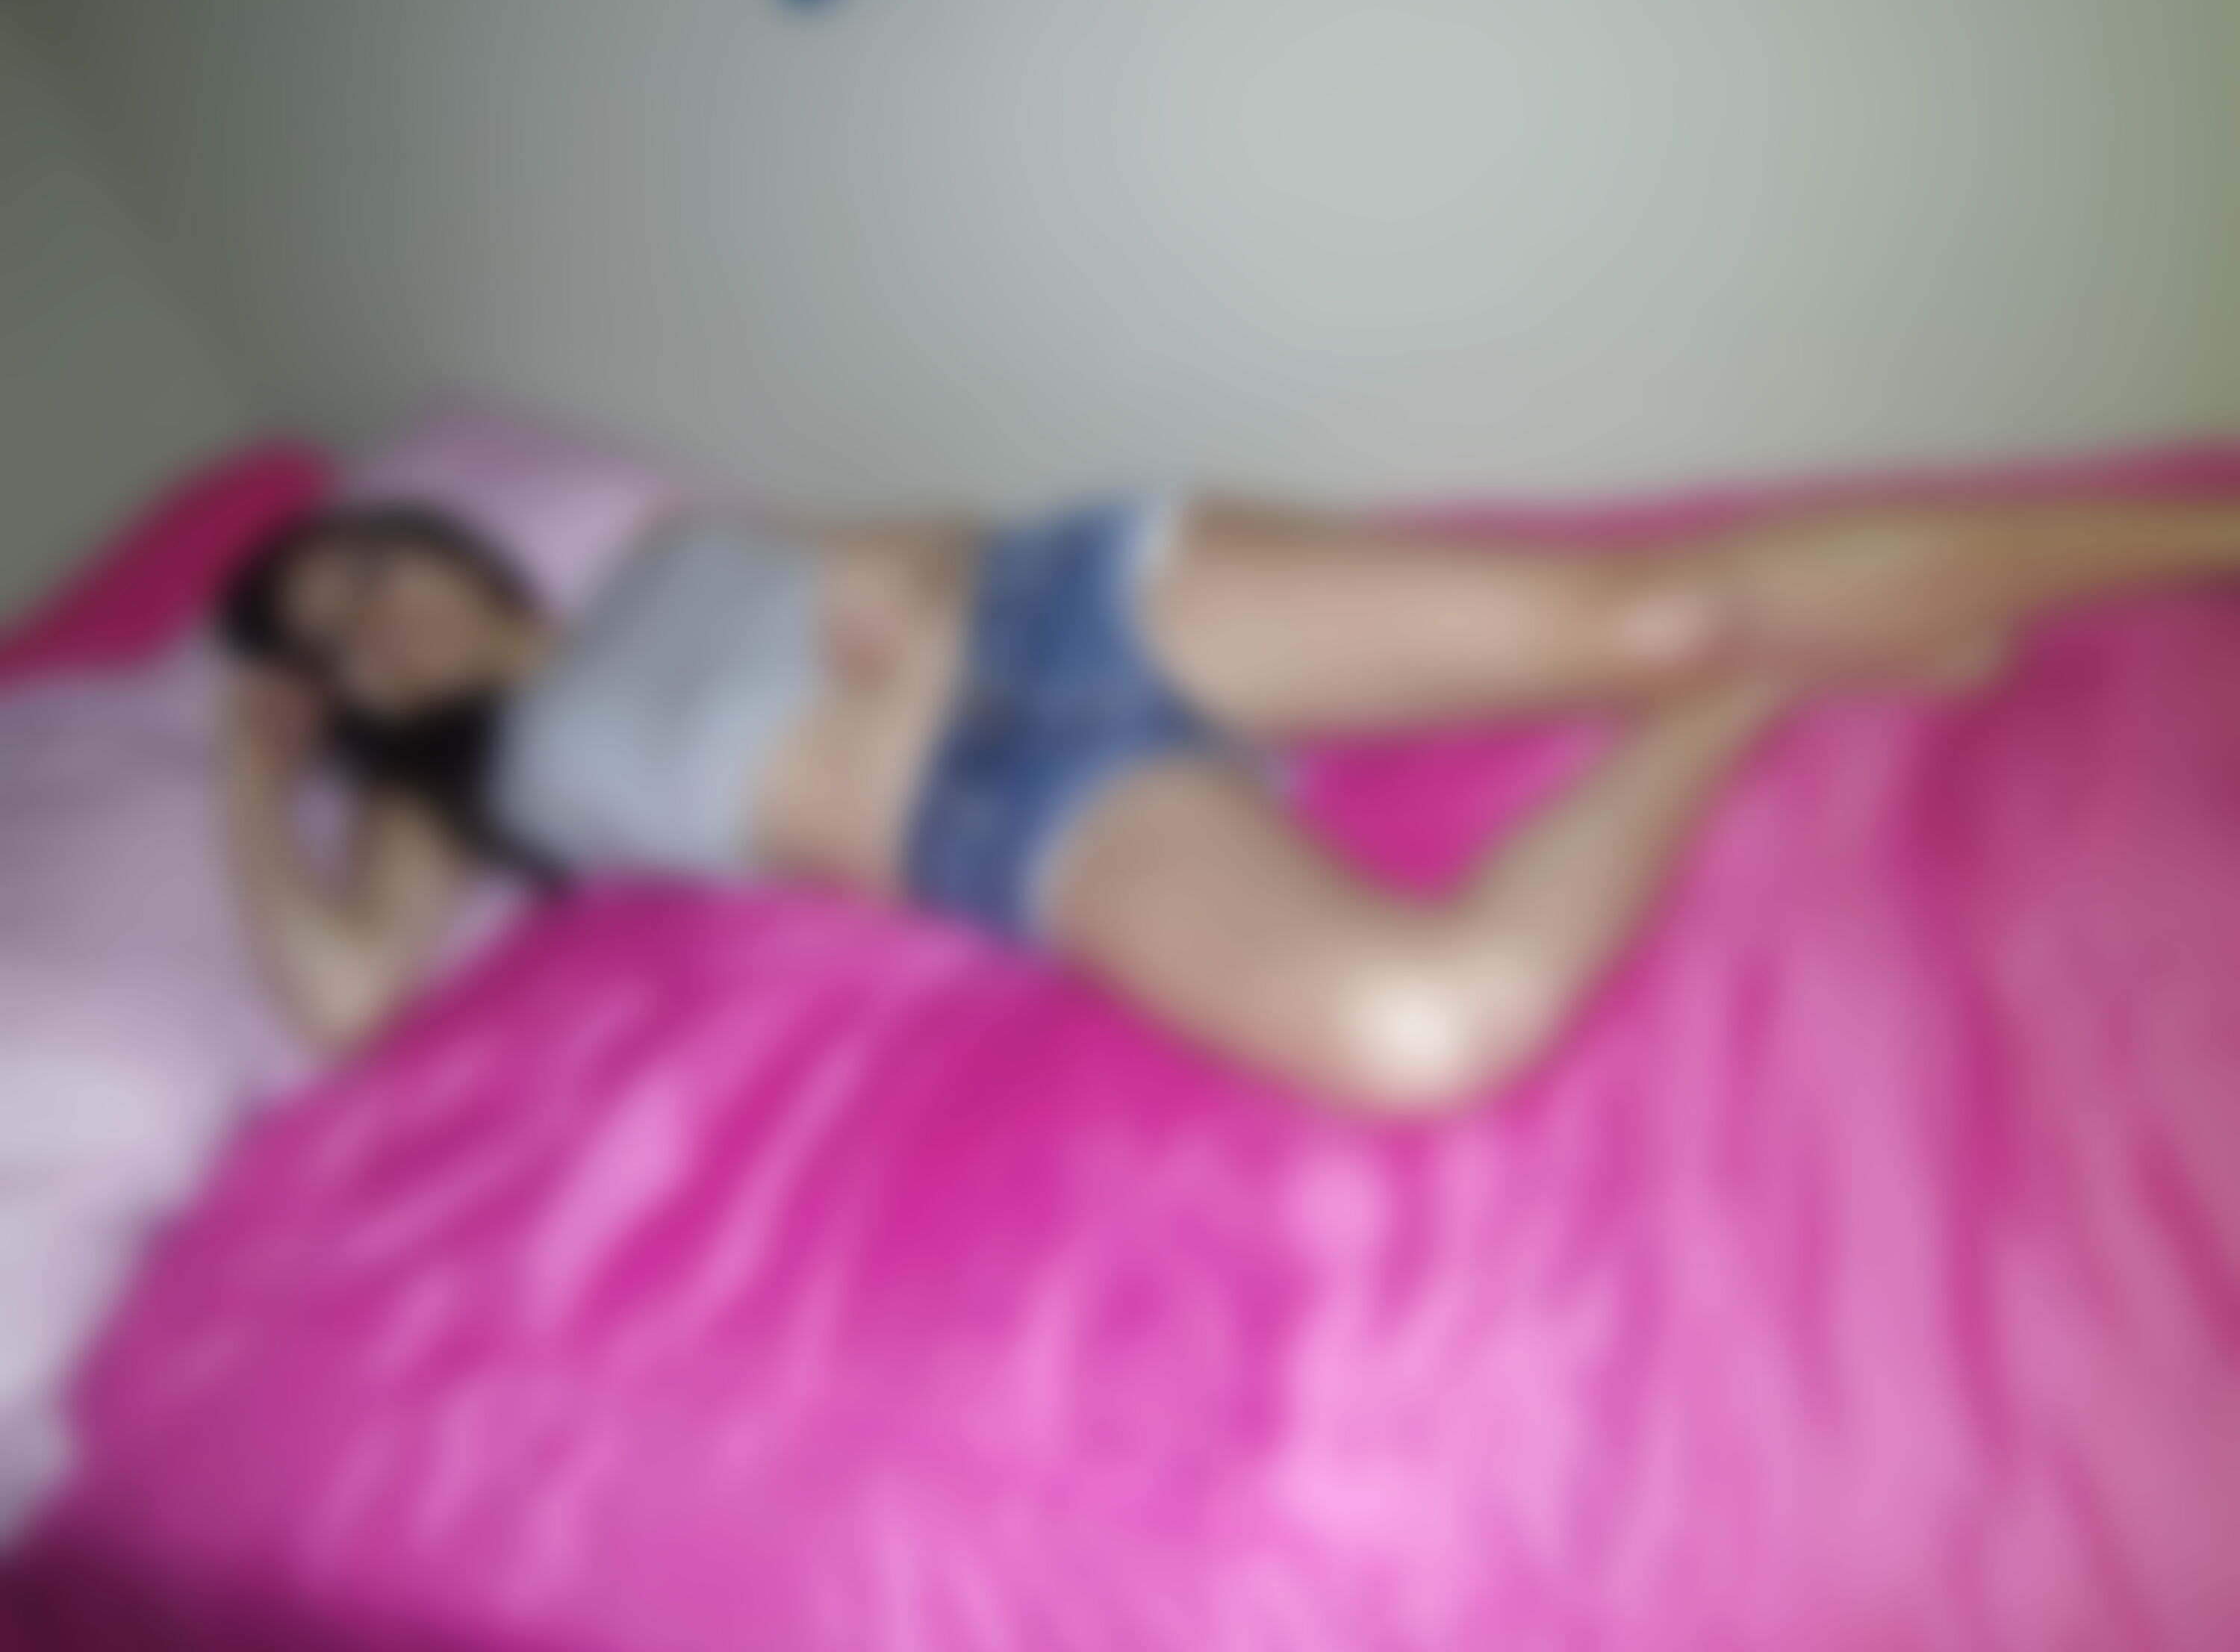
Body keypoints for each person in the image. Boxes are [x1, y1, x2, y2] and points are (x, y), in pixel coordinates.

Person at [215, 485, 2240, 1113]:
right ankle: (1757, 696)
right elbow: (342, 995)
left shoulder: (666, 542)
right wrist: (245, 775)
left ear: (445, 545)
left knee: (1647, 607)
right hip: (1013, 829)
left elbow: (928, 527)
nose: (377, 619)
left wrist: (919, 569)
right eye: (338, 634)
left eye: (373, 567)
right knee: (1424, 1029)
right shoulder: (471, 792)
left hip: (1061, 605)